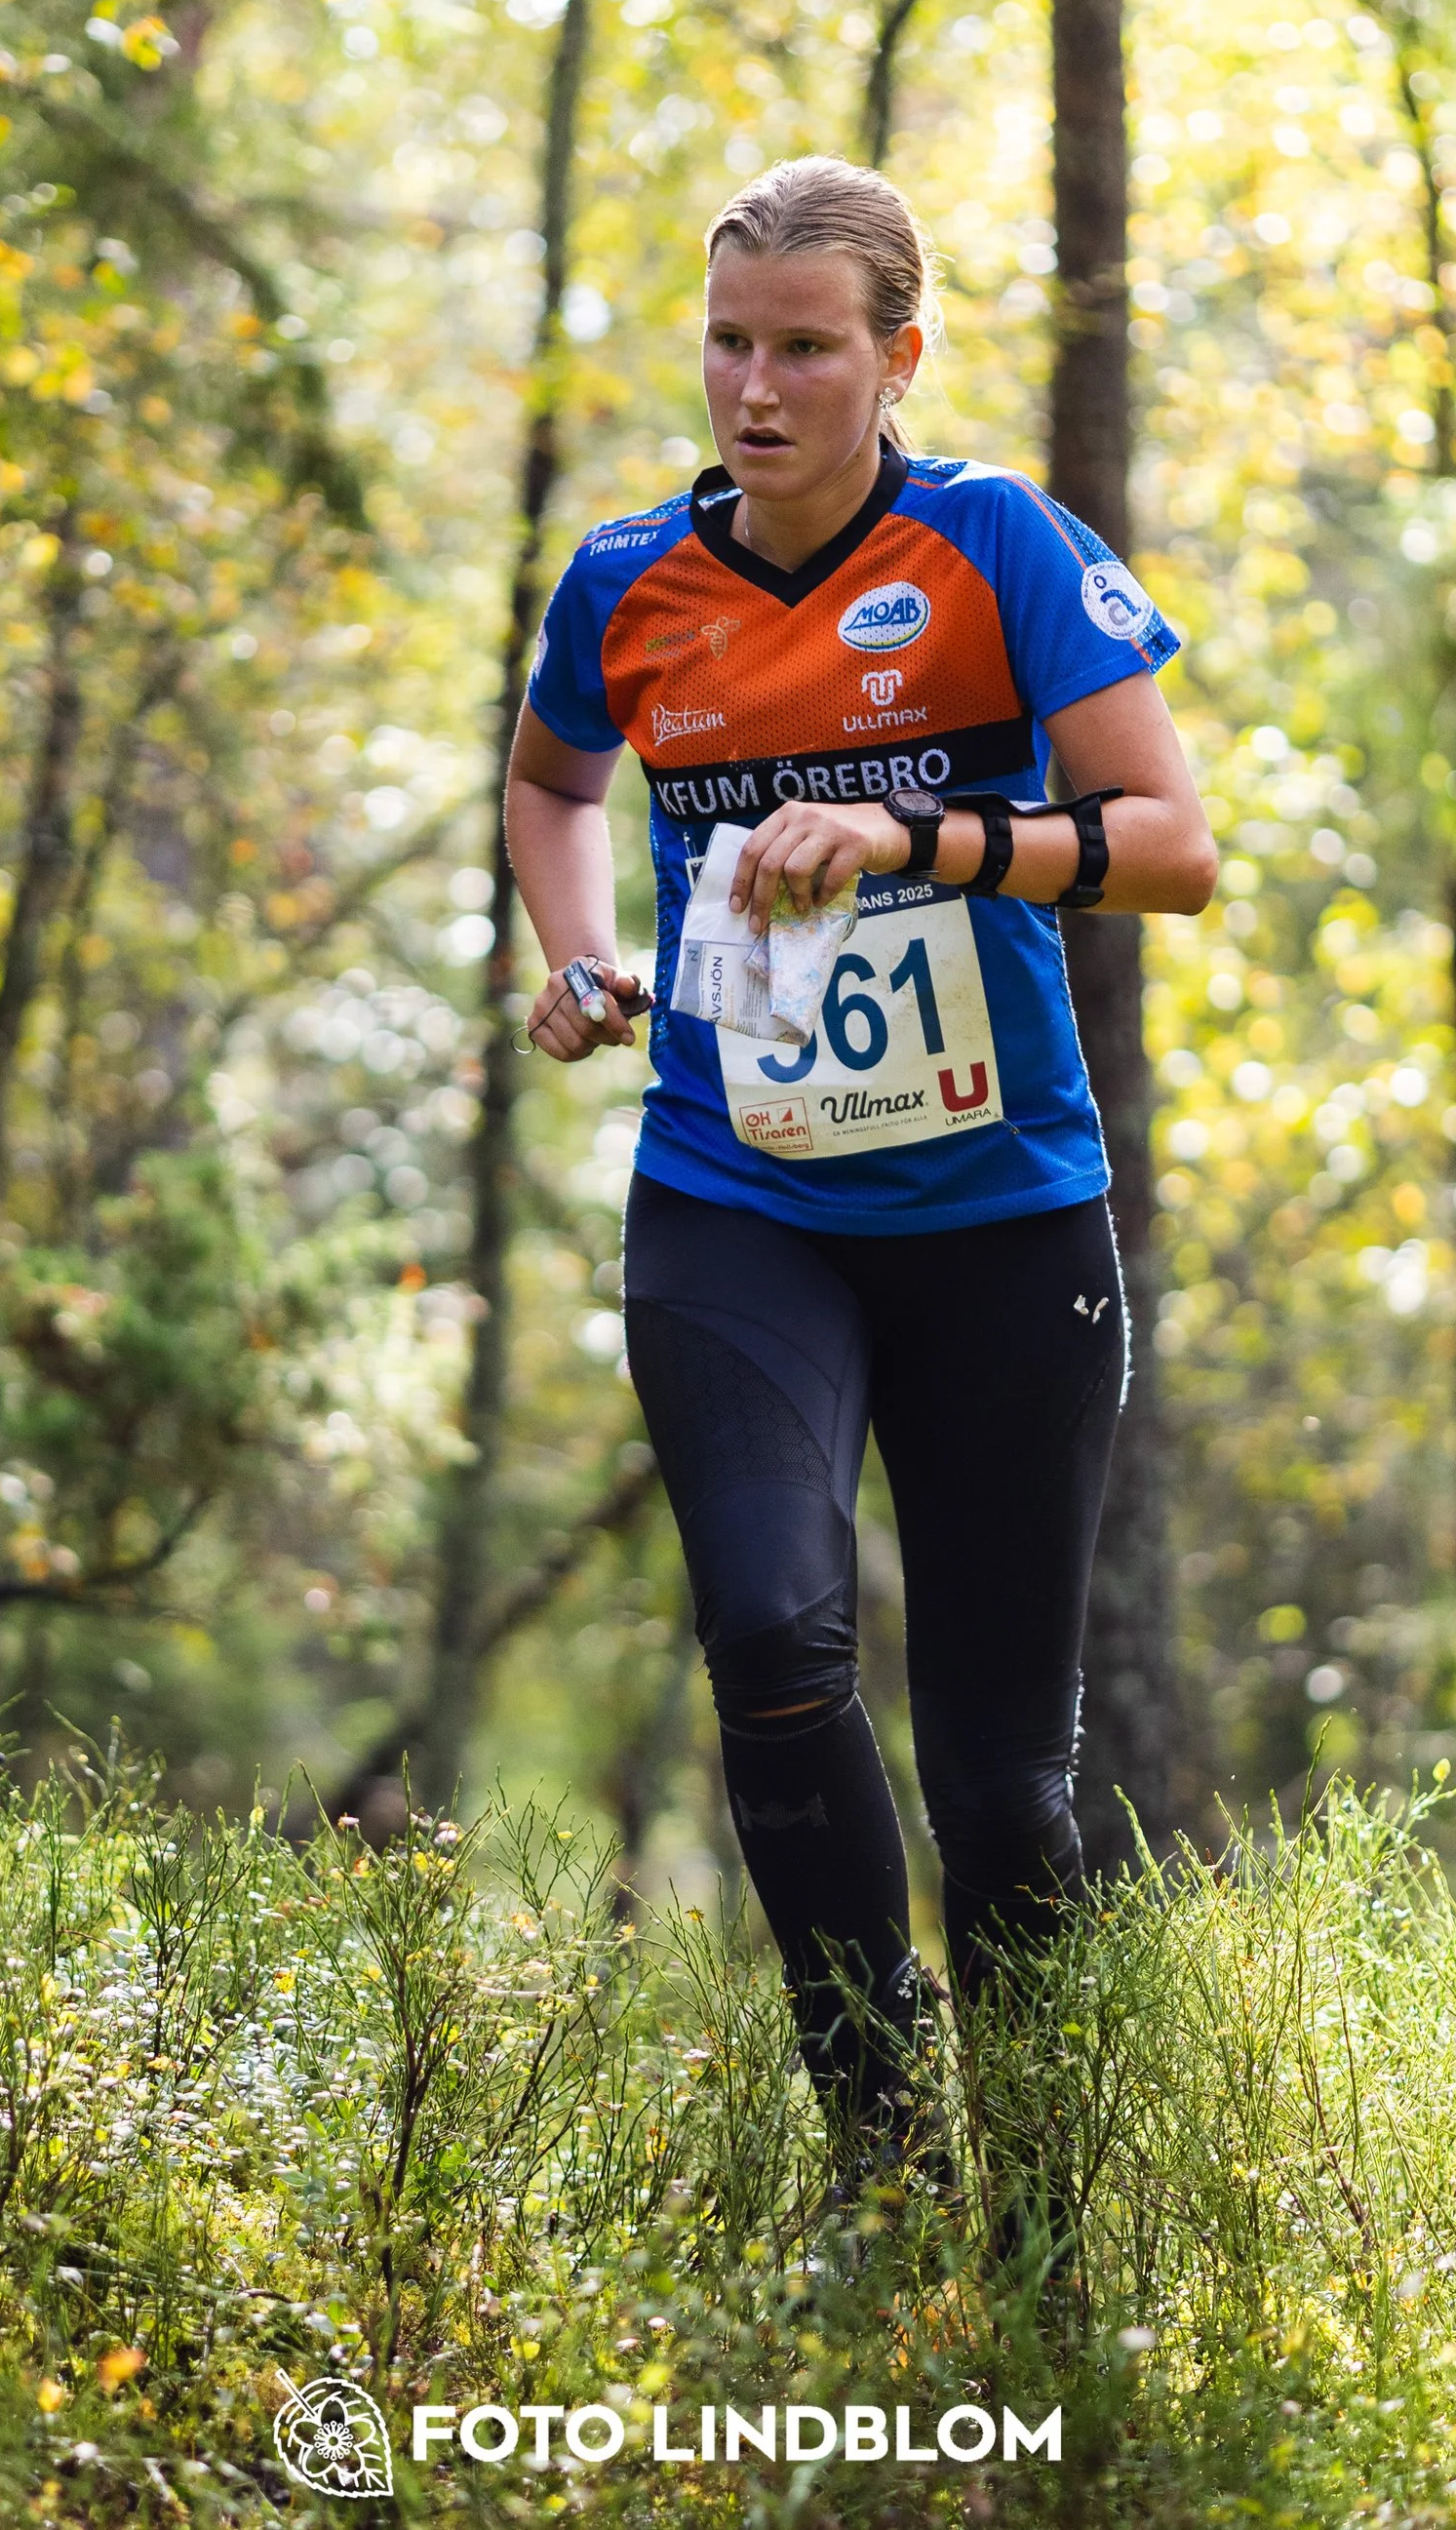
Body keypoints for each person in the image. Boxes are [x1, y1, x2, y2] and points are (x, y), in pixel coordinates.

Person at [506, 154, 1216, 2181]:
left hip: (1001, 1220)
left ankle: (1053, 2198)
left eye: (804, 345)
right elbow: (555, 778)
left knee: (1002, 1786)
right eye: (729, 340)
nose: (756, 383)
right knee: (775, 1638)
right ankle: (883, 2146)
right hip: (739, 1198)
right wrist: (572, 952)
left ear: (893, 357)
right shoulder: (628, 581)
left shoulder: (991, 542)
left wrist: (914, 835)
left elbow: (1170, 845)